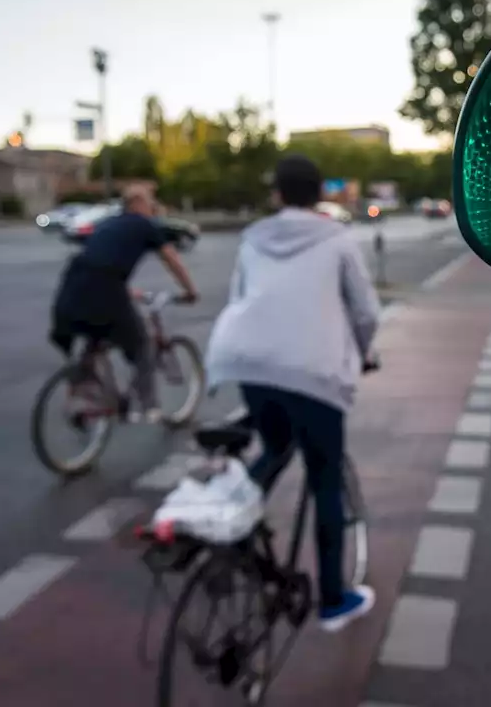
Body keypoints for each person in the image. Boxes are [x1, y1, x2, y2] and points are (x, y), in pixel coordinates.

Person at [205, 154, 383, 632]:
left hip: (249, 361)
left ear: (276, 193)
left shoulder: (251, 240)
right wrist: (363, 353)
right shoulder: (338, 239)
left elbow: (239, 299)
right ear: (320, 192)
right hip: (314, 372)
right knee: (325, 479)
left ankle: (228, 532)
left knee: (275, 447)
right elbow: (365, 312)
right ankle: (332, 600)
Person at [49, 184, 199, 423]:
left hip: (72, 286)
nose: (153, 208)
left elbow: (99, 262)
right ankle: (148, 406)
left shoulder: (108, 224)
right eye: (151, 202)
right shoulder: (145, 225)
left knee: (93, 336)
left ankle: (83, 394)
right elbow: (172, 260)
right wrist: (190, 291)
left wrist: (126, 290)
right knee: (142, 345)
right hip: (106, 289)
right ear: (139, 204)